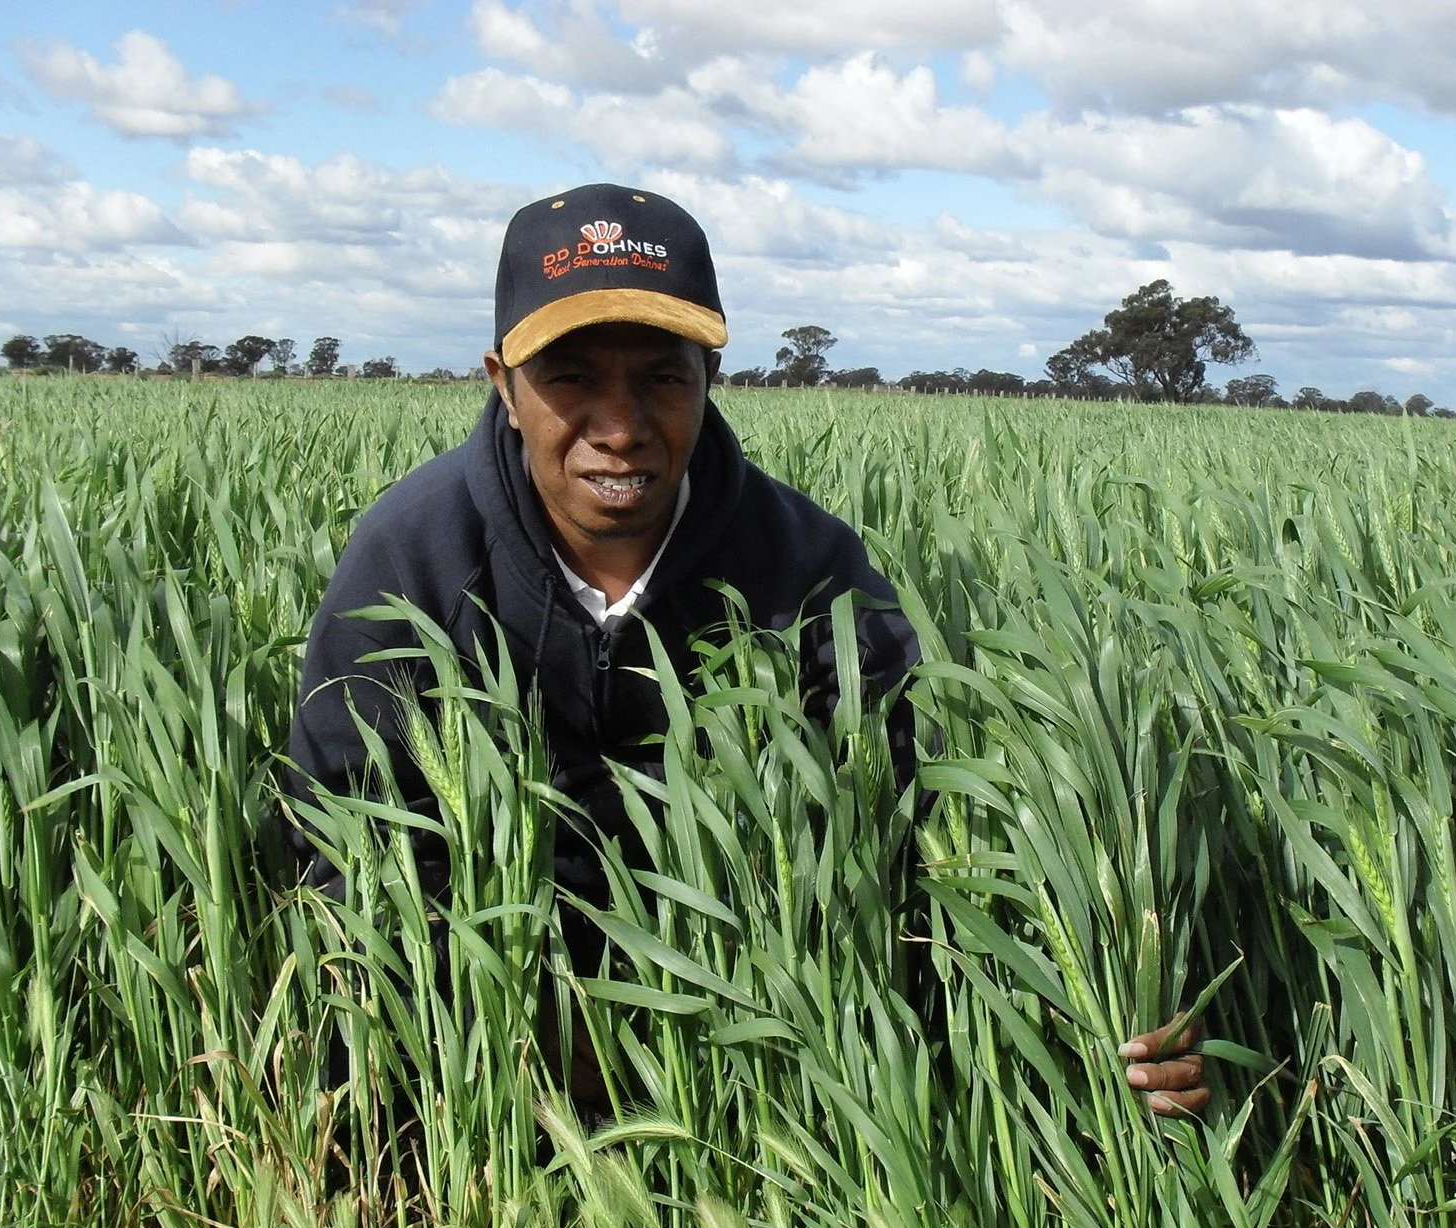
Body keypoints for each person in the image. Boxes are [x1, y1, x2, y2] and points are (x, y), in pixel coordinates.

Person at [287, 182, 1208, 1118]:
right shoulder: (411, 559)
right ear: (503, 386)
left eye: (661, 377)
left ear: (707, 380)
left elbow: (918, 838)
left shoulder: (807, 569)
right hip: (478, 1066)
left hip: (752, 1075)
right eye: (570, 377)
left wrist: (1098, 1001)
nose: (620, 426)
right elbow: (345, 851)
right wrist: (504, 1049)